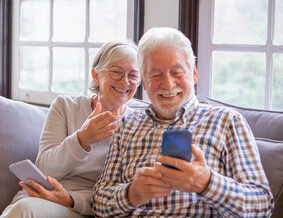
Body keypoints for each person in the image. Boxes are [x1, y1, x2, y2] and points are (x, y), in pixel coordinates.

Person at [92, 27, 274, 217]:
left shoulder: (227, 121)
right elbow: (98, 204)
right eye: (155, 75)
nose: (168, 84)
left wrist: (207, 183)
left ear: (194, 73)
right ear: (144, 83)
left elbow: (262, 207)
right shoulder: (126, 126)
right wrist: (131, 194)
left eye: (176, 72)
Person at [0, 40, 140, 217]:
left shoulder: (138, 124)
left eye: (133, 75)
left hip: (81, 207)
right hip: (39, 196)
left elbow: (123, 196)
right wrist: (82, 138)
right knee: (25, 207)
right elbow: (44, 169)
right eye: (116, 72)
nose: (125, 81)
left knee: (26, 209)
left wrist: (70, 199)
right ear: (95, 75)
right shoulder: (65, 106)